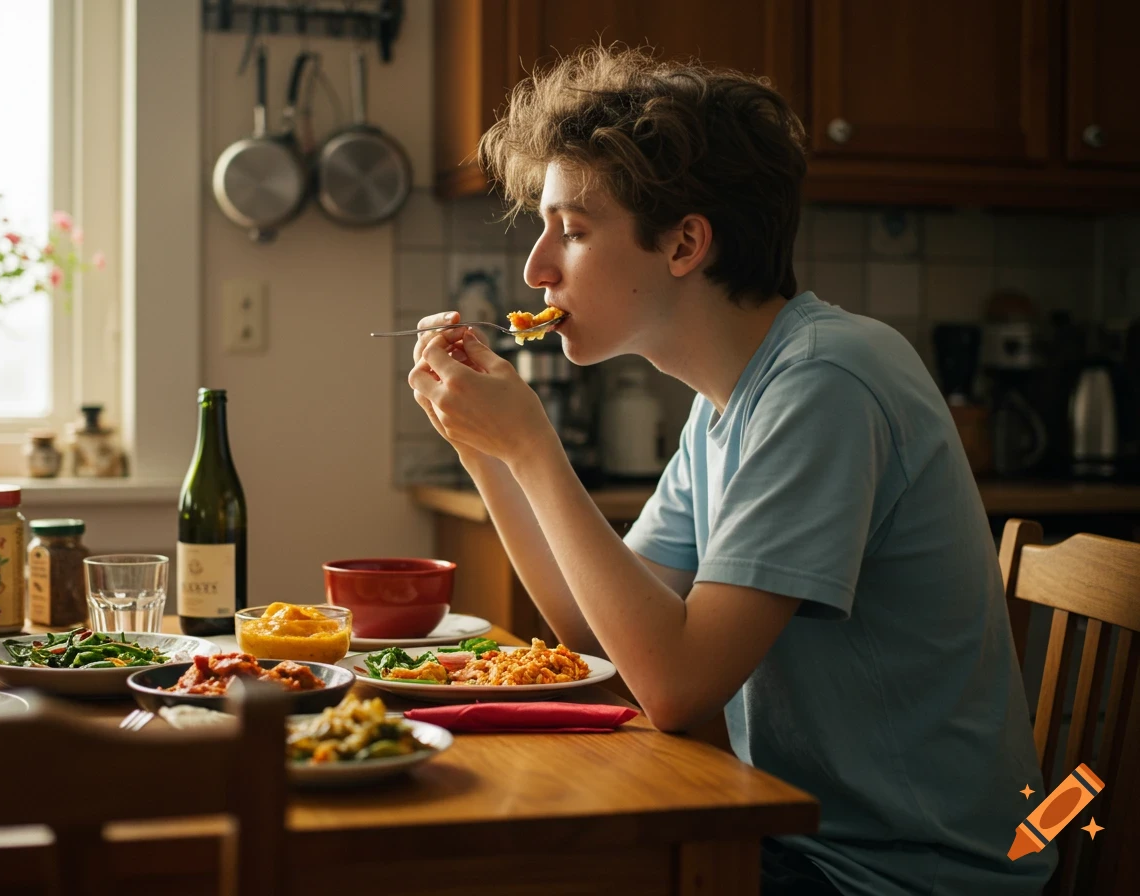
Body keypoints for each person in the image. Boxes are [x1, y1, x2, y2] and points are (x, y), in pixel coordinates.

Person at [405, 45, 1054, 896]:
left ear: (684, 244)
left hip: (906, 877)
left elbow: (674, 688)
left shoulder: (826, 382)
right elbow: (597, 635)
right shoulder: (727, 404)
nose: (537, 269)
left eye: (573, 230)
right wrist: (484, 448)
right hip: (802, 843)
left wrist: (531, 446)